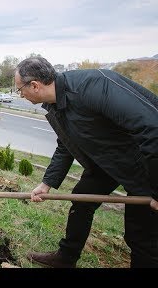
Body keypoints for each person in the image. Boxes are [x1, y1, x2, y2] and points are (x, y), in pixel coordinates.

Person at [14, 56, 158, 268]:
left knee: (141, 236)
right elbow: (66, 144)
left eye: (20, 89)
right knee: (81, 201)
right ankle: (66, 257)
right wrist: (47, 183)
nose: (20, 94)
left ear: (34, 85)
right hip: (108, 161)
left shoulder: (95, 86)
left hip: (146, 162)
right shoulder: (55, 105)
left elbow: (153, 129)